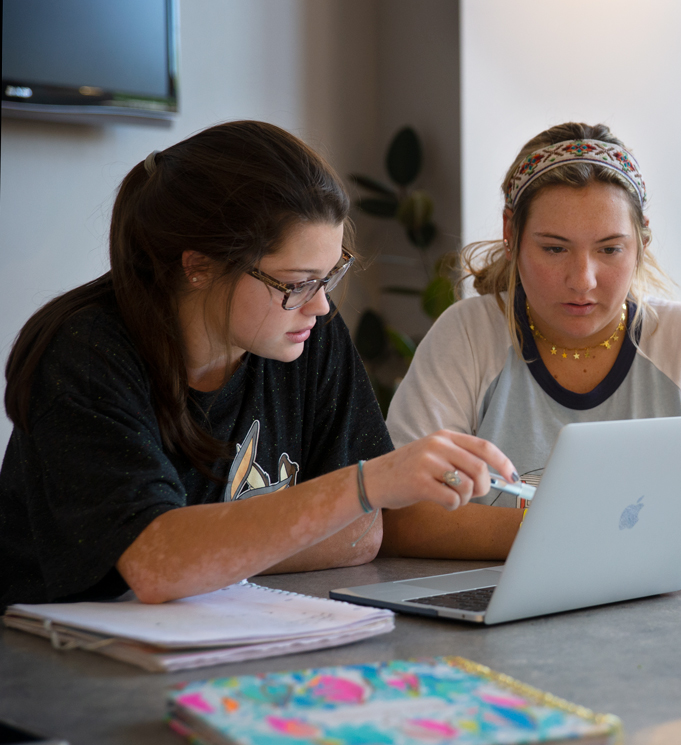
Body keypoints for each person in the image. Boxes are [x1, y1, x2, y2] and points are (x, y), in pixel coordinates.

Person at [0, 121, 515, 606]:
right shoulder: (86, 352)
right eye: (295, 283)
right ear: (199, 265)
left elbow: (360, 535)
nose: (319, 304)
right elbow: (155, 565)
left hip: (224, 634)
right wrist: (363, 484)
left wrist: (207, 552)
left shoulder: (305, 331)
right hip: (57, 662)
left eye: (328, 276)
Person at [382, 122, 681, 559]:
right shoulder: (468, 335)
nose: (582, 280)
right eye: (554, 248)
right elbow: (399, 517)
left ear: (642, 242)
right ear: (511, 234)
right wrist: (604, 533)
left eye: (610, 249)